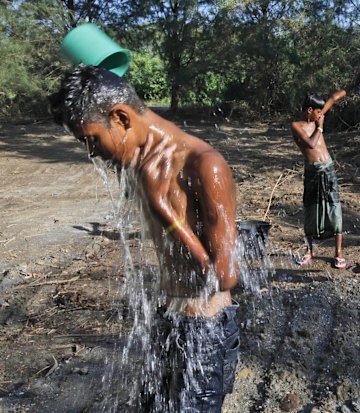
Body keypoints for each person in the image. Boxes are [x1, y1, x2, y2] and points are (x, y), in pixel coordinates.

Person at [48, 65, 239, 412]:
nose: (92, 153)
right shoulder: (141, 161)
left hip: (204, 329)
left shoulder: (204, 165)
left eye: (92, 140)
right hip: (169, 317)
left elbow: (224, 276)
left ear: (120, 118)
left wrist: (162, 208)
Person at [291, 87, 354, 269]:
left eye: (321, 112)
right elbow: (310, 144)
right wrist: (320, 127)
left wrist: (355, 84)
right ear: (309, 110)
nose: (321, 114)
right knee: (311, 210)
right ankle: (309, 250)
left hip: (328, 169)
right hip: (312, 172)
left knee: (335, 209)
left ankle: (338, 253)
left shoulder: (317, 114)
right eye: (318, 112)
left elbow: (334, 98)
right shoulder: (296, 126)